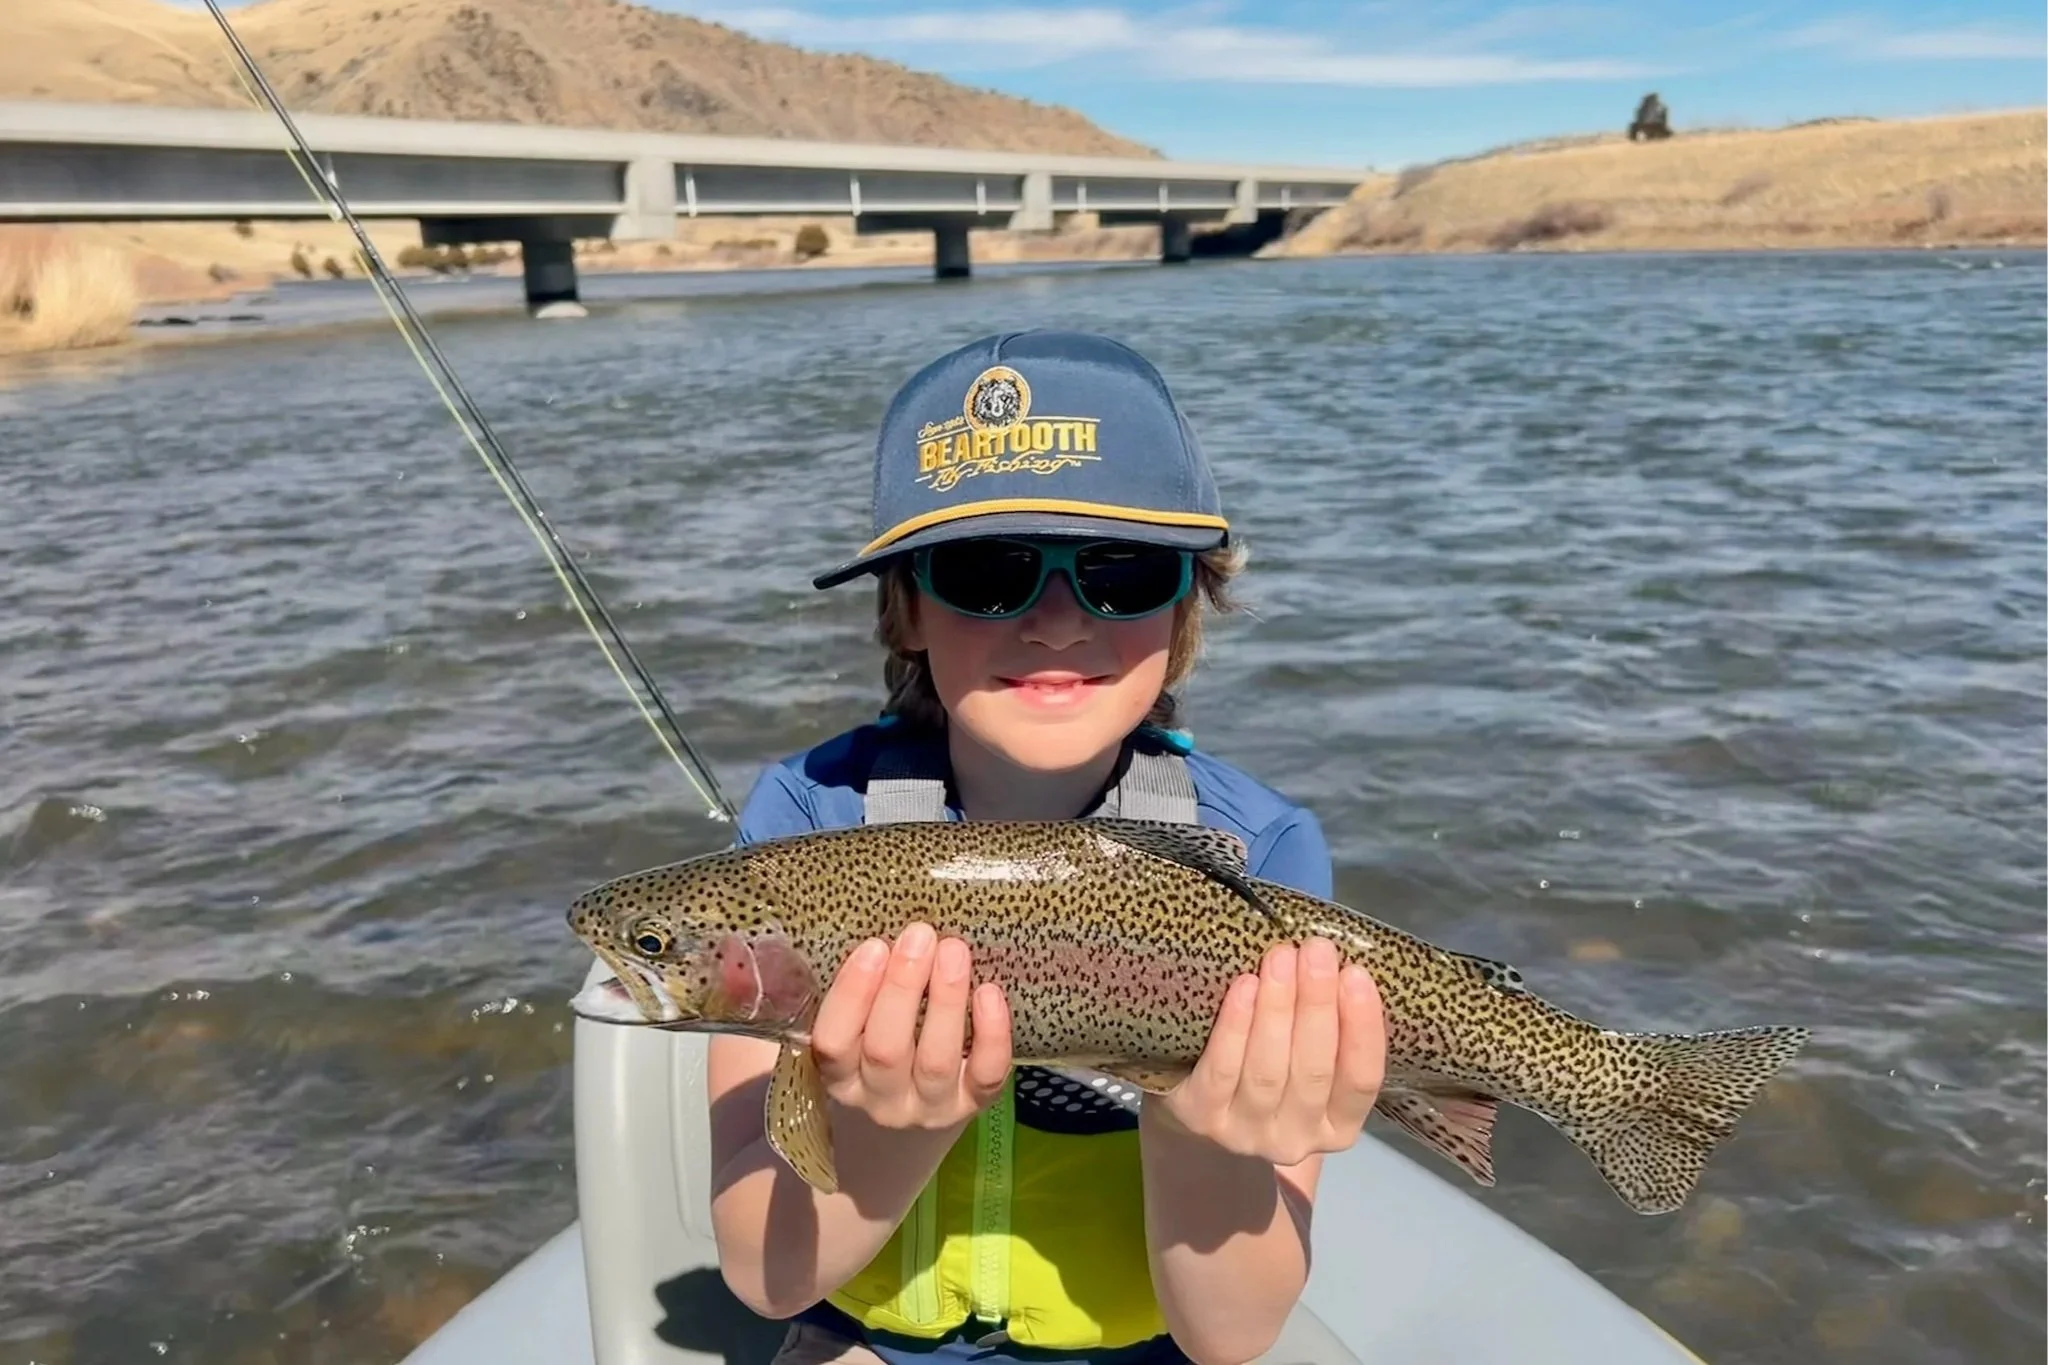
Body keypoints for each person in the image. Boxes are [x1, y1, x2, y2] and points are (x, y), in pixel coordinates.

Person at [704, 330, 1388, 1365]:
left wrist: (1199, 1124)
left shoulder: (1259, 853)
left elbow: (1229, 1338)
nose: (1059, 622)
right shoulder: (801, 825)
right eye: (990, 571)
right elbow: (766, 1277)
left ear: (1186, 609)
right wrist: (889, 1130)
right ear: (907, 607)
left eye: (1121, 572)